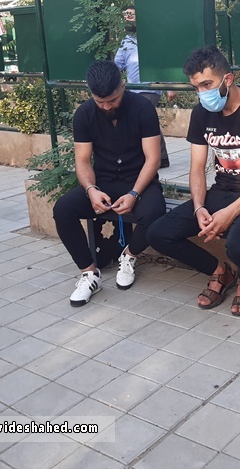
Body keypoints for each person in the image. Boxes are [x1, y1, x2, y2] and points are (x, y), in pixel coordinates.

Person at [147, 45, 240, 316]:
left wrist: (229, 213)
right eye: (196, 87)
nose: (202, 93)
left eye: (207, 85)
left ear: (228, 79)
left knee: (237, 244)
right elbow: (197, 169)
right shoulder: (201, 114)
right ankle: (219, 271)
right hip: (222, 190)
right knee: (158, 233)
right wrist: (199, 207)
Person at [53, 60, 166, 306]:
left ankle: (129, 255)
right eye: (100, 102)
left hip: (139, 181)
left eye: (112, 100)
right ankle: (89, 273)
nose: (106, 107)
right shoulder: (84, 114)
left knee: (156, 212)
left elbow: (153, 159)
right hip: (102, 182)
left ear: (122, 86)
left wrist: (134, 193)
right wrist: (91, 190)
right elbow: (83, 161)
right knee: (63, 209)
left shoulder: (143, 108)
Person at [115, 6, 175, 168]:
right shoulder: (126, 42)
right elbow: (117, 65)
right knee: (145, 120)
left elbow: (163, 63)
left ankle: (152, 157)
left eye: (131, 15)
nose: (128, 18)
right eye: (126, 15)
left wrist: (170, 86)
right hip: (132, 88)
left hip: (150, 88)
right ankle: (160, 157)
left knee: (139, 117)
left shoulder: (153, 39)